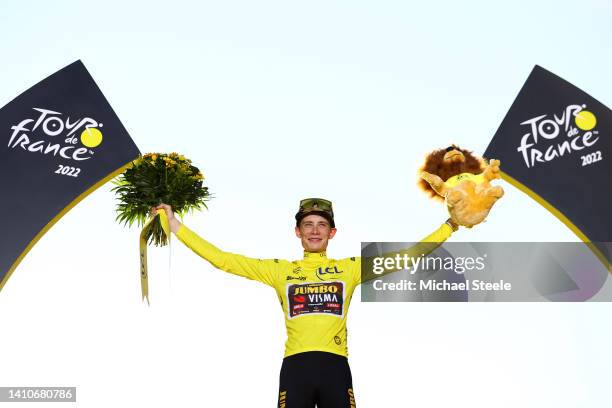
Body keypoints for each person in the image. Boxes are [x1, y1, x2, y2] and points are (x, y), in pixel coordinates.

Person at [152, 198, 458, 408]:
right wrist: (175, 224)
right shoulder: (280, 270)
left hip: (335, 366)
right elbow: (223, 260)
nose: (314, 230)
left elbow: (408, 256)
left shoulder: (350, 268)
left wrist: (451, 224)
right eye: (308, 224)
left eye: (321, 225)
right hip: (296, 367)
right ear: (298, 232)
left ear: (332, 233)